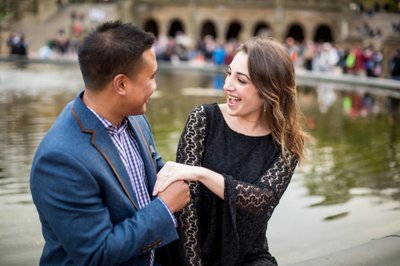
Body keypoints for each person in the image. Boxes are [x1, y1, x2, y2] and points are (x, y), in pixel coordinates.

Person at [30, 21, 190, 266]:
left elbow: (156, 177)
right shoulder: (60, 159)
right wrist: (165, 208)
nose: (155, 87)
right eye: (152, 77)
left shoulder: (136, 119)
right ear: (121, 84)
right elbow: (96, 254)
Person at [153, 37, 310, 265]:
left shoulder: (287, 145)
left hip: (247, 255)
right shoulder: (203, 120)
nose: (227, 85)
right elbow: (187, 211)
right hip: (189, 253)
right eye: (229, 73)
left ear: (269, 89)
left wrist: (201, 173)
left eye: (241, 80)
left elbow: (261, 199)